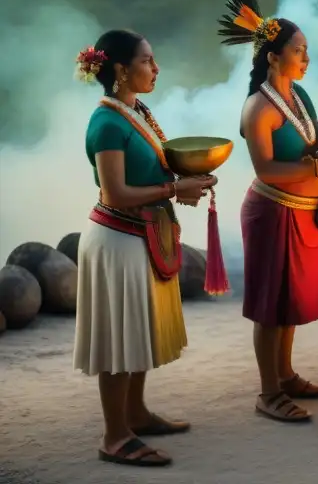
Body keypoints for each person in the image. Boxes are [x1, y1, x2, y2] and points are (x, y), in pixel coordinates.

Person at [217, 0, 318, 423]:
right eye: (299, 51)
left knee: (288, 302)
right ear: (273, 56)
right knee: (271, 306)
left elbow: (313, 149)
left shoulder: (300, 98)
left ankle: (284, 375)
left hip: (304, 214)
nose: (306, 59)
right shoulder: (258, 109)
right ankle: (268, 393)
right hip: (273, 212)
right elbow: (267, 170)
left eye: (306, 50)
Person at [73, 30, 217, 467]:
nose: (156, 69)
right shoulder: (107, 123)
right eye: (147, 61)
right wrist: (176, 187)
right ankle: (115, 436)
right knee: (120, 340)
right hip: (117, 240)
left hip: (143, 236)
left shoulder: (137, 112)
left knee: (137, 332)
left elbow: (156, 172)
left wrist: (187, 183)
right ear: (120, 69)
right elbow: (115, 193)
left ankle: (135, 413)